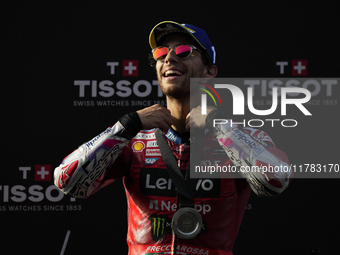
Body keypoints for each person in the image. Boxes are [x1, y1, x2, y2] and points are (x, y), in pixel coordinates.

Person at [54, 21, 292, 255]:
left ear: (210, 71)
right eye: (160, 53)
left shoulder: (236, 135)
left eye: (183, 51)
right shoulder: (134, 138)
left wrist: (218, 125)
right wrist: (126, 126)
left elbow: (276, 180)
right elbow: (67, 181)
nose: (169, 58)